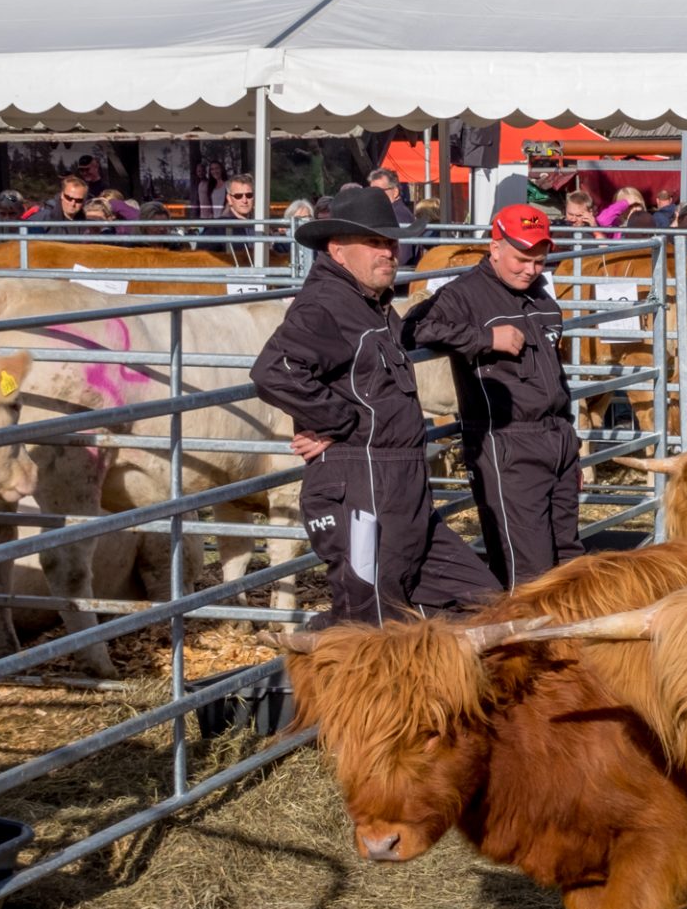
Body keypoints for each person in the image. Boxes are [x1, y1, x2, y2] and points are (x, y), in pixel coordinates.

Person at [249, 187, 497, 625]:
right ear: (338, 250)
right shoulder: (324, 305)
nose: (389, 253)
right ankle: (338, 679)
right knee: (372, 622)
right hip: (359, 484)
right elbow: (276, 370)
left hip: (399, 484)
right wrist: (339, 422)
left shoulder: (373, 305)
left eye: (392, 242)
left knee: (481, 600)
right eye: (376, 243)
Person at [408, 204, 584, 587]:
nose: (530, 269)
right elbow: (414, 328)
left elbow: (556, 375)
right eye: (522, 259)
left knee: (569, 557)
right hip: (507, 443)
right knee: (528, 570)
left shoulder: (541, 299)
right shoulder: (465, 294)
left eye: (539, 261)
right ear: (496, 247)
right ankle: (526, 644)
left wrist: (570, 442)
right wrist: (485, 339)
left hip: (555, 438)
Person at [367, 167, 426, 267]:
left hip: (398, 277)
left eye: (379, 191)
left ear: (395, 192)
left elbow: (403, 257)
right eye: (371, 192)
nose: (374, 196)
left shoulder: (398, 215)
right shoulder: (391, 213)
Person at [200, 175, 259, 264]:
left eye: (249, 195)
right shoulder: (216, 227)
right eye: (238, 196)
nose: (244, 200)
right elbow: (202, 260)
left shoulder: (259, 226)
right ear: (229, 199)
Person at [24, 175, 92, 232]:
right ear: (62, 195)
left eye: (78, 200)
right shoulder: (44, 218)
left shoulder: (88, 225)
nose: (72, 203)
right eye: (69, 198)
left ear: (84, 200)